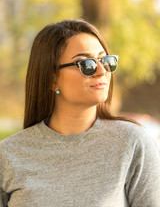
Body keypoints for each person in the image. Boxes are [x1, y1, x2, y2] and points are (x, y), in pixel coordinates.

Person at [0, 19, 160, 207]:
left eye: (105, 60)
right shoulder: (8, 155)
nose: (102, 71)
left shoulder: (132, 143)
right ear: (52, 79)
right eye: (85, 64)